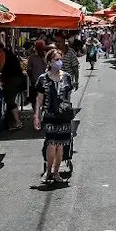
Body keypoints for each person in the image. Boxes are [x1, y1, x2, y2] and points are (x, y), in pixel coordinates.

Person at [33, 48, 75, 185]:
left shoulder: (67, 77)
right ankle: (48, 171)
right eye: (56, 60)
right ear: (49, 62)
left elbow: (68, 96)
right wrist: (37, 116)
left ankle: (56, 172)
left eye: (60, 59)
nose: (59, 62)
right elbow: (39, 99)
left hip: (64, 116)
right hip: (50, 115)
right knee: (51, 144)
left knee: (60, 145)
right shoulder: (43, 79)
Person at [0, 38, 26, 130]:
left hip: (13, 80)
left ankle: (18, 122)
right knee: (9, 100)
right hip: (15, 78)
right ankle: (12, 121)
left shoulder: (2, 54)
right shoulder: (8, 53)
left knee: (10, 100)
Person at [26, 40, 47, 107]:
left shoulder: (45, 57)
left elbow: (29, 70)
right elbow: (29, 71)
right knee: (38, 100)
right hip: (38, 82)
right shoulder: (33, 58)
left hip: (39, 82)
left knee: (38, 100)